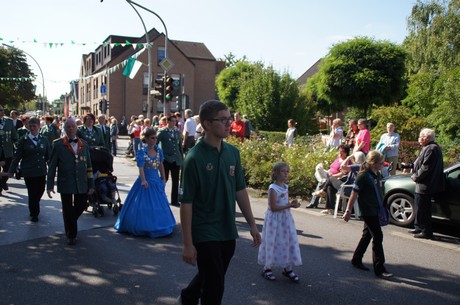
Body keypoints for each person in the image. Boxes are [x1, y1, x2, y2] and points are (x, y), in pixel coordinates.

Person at [178, 100, 261, 305]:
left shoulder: (232, 153)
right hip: (204, 230)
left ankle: (188, 296)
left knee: (212, 274)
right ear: (206, 124)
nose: (229, 124)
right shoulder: (194, 158)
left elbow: (239, 190)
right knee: (215, 285)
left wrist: (252, 225)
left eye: (229, 119)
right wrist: (188, 244)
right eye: (223, 120)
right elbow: (186, 203)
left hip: (227, 229)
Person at [114, 128, 176, 238]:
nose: (155, 140)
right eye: (152, 138)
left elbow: (161, 164)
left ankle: (160, 224)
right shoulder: (142, 152)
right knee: (144, 203)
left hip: (156, 181)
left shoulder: (158, 150)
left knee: (159, 203)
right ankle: (144, 226)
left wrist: (164, 177)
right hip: (146, 181)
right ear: (146, 139)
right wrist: (143, 180)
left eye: (155, 137)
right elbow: (141, 167)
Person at [342, 150, 393, 278]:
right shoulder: (363, 176)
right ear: (373, 163)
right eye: (381, 163)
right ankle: (379, 268)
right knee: (378, 237)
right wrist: (348, 210)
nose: (383, 165)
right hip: (368, 211)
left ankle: (356, 259)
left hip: (376, 210)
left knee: (367, 236)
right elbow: (354, 193)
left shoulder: (377, 174)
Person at [46, 118, 95, 245]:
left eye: (73, 126)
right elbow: (52, 167)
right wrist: (49, 185)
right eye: (68, 127)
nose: (71, 129)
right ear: (65, 129)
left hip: (81, 182)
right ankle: (71, 235)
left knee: (81, 205)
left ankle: (70, 222)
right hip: (65, 181)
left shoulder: (84, 144)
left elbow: (89, 167)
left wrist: (91, 184)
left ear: (77, 128)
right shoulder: (58, 144)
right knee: (67, 208)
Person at [258, 162, 302, 282]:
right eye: (283, 171)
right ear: (276, 173)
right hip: (274, 220)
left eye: (287, 171)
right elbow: (273, 207)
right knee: (272, 241)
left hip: (285, 219)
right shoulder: (273, 188)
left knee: (287, 241)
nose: (286, 174)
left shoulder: (285, 187)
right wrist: (289, 205)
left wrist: (293, 204)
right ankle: (267, 267)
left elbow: (285, 203)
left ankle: (287, 267)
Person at [8, 117, 51, 222]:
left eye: (34, 126)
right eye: (30, 126)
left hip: (41, 170)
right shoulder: (24, 140)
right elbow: (17, 156)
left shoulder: (44, 139)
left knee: (40, 190)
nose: (32, 128)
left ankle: (34, 203)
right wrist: (11, 170)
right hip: (28, 171)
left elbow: (49, 156)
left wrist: (53, 168)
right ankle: (34, 213)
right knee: (32, 192)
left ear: (39, 127)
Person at [407, 128, 444, 239]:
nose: (419, 138)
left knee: (424, 209)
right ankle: (418, 227)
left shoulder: (431, 149)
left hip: (426, 185)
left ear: (427, 138)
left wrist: (415, 177)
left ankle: (426, 231)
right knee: (419, 206)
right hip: (424, 184)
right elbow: (419, 163)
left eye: (421, 136)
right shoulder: (428, 147)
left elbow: (425, 168)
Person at [312, 145, 350, 214]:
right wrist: (328, 172)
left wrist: (332, 175)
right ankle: (330, 209)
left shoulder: (346, 161)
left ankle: (322, 191)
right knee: (329, 187)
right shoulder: (338, 159)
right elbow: (332, 167)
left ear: (346, 153)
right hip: (331, 178)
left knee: (330, 179)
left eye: (342, 152)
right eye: (339, 151)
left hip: (340, 181)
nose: (340, 153)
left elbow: (342, 174)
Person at [156, 115, 183, 207]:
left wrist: (181, 158)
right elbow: (155, 143)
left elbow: (179, 146)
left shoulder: (176, 132)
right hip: (166, 159)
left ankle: (174, 200)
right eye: (172, 121)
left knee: (176, 180)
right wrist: (157, 155)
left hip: (176, 159)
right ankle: (159, 198)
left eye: (175, 121)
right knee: (164, 178)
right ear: (168, 122)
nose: (174, 123)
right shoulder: (163, 132)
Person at [0, 104, 18, 194]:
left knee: (8, 168)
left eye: (2, 110)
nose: (2, 112)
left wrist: (18, 145)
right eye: (0, 110)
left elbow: (14, 136)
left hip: (7, 150)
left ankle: (3, 182)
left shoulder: (9, 121)